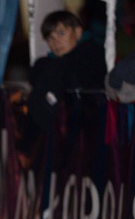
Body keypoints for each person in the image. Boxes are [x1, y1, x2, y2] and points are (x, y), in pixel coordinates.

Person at [26, 10, 106, 147]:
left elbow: (76, 81)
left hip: (89, 135)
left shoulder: (92, 55)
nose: (56, 42)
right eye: (50, 38)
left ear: (78, 32)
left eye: (61, 33)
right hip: (60, 135)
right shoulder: (47, 64)